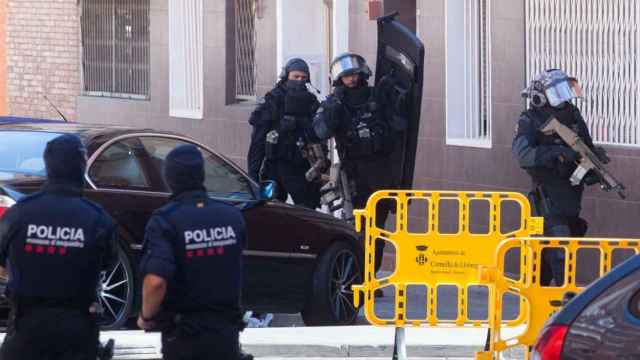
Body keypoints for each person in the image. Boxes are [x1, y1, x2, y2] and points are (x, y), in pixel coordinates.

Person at [0, 134, 118, 360]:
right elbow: (107, 264)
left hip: (25, 334)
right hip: (77, 337)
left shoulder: (20, 213)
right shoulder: (97, 219)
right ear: (81, 167)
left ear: (47, 166)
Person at [137, 144, 246, 360]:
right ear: (201, 175)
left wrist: (145, 316)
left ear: (169, 178)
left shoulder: (165, 220)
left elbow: (156, 281)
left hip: (184, 337)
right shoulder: (232, 217)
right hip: (226, 337)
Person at [312, 52, 409, 276]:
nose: (352, 80)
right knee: (357, 228)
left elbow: (400, 126)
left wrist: (395, 95)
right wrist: (332, 108)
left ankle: (370, 276)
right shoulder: (335, 103)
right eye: (346, 77)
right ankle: (357, 275)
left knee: (377, 229)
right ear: (338, 79)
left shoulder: (378, 97)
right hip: (353, 176)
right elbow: (320, 131)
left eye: (355, 74)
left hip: (382, 173)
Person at [513, 68, 600, 286]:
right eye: (557, 92)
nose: (563, 98)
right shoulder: (530, 119)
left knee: (545, 267)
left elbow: (585, 147)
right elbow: (523, 155)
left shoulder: (572, 115)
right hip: (546, 201)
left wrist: (593, 166)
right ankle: (562, 310)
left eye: (564, 91)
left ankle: (543, 309)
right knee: (561, 259)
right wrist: (556, 153)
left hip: (571, 200)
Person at [247, 57, 323, 208]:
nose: (299, 81)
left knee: (308, 213)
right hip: (274, 167)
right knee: (269, 211)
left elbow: (319, 134)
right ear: (286, 76)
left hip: (302, 168)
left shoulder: (311, 101)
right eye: (296, 77)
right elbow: (258, 139)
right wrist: (253, 174)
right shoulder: (274, 99)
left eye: (303, 77)